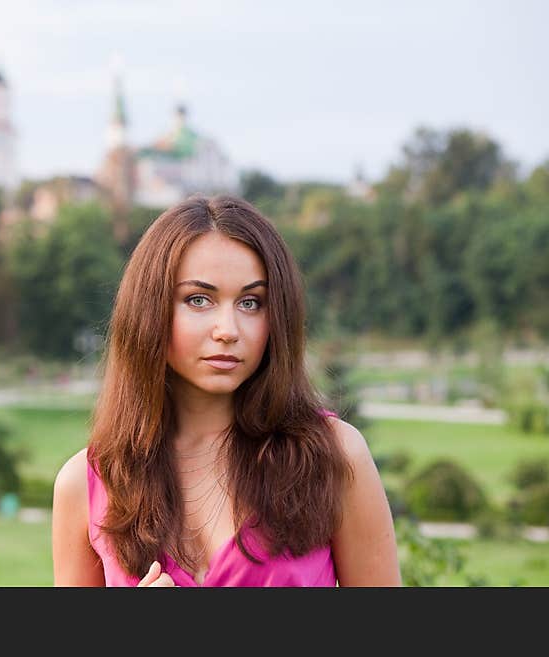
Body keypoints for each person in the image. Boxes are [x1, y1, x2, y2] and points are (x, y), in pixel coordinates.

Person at [52, 195, 401, 587]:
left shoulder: (335, 456)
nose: (228, 330)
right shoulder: (83, 486)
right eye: (198, 300)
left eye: (251, 302)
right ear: (150, 311)